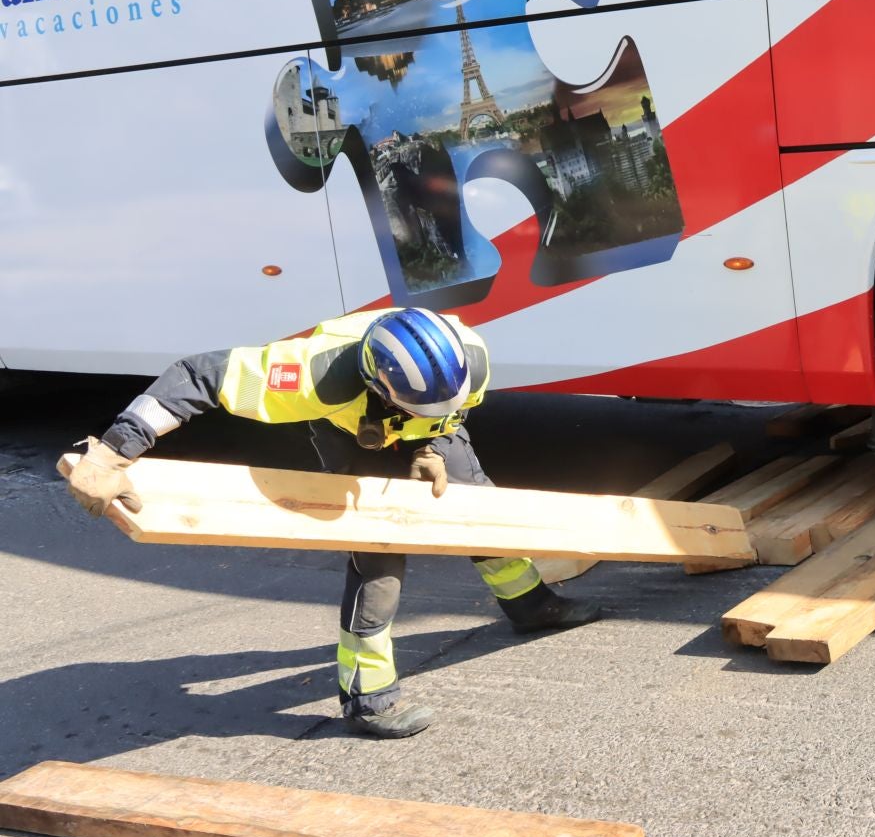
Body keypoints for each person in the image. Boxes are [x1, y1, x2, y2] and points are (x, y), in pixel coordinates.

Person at [63, 307, 602, 739]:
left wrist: (430, 442)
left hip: (415, 421)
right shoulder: (313, 377)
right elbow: (197, 376)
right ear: (376, 382)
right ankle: (369, 700)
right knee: (379, 552)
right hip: (351, 430)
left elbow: (452, 411)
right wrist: (115, 451)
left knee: (480, 511)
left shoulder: (469, 359)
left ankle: (530, 604)